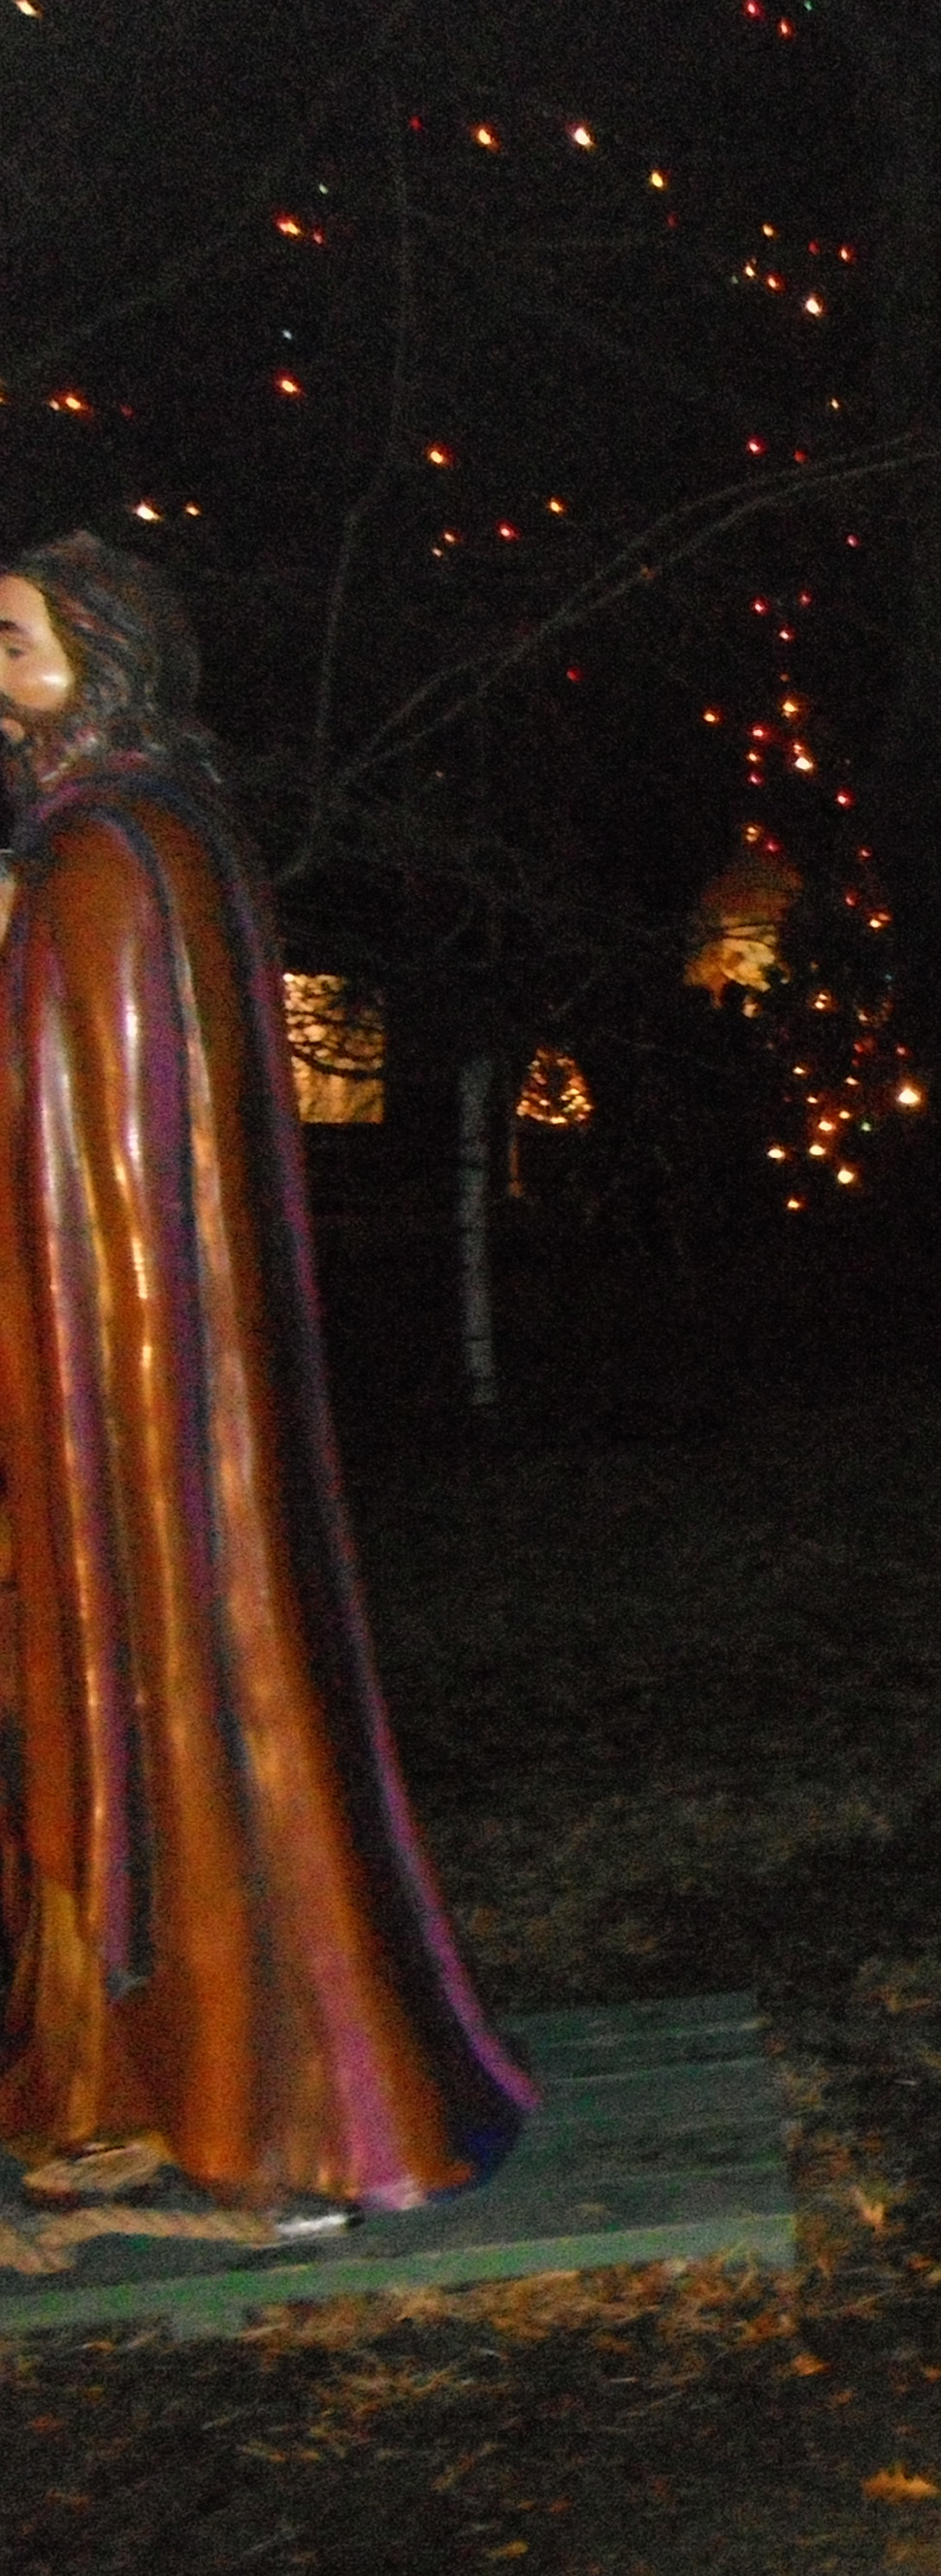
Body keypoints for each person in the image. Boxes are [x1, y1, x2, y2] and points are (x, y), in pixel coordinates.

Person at [0, 533, 534, 2215]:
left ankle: (235, 2093)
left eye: (13, 644)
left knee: (164, 1706)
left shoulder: (111, 854)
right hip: (142, 1361)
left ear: (101, 656)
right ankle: (127, 2067)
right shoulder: (148, 835)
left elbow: (88, 1138)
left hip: (131, 1382)